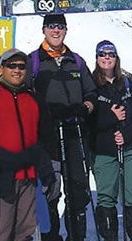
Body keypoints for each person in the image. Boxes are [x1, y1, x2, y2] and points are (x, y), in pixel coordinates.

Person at [0, 48, 56, 241]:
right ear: (1, 69)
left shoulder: (35, 99)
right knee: (0, 230)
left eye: (21, 66)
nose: (17, 70)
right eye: (11, 66)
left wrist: (46, 169)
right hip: (1, 178)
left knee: (25, 230)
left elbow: (44, 138)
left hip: (29, 177)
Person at [28, 14, 97, 241]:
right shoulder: (34, 61)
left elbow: (91, 92)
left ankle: (76, 236)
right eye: (51, 27)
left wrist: (85, 107)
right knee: (50, 191)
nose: (55, 31)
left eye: (60, 27)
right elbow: (26, 96)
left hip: (75, 134)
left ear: (66, 30)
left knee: (78, 191)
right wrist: (45, 113)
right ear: (44, 30)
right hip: (47, 139)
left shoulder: (76, 61)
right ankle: (51, 236)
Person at [89, 40, 132, 241]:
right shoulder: (90, 85)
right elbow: (88, 121)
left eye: (111, 54)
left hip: (129, 148)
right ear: (96, 58)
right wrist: (110, 117)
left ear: (116, 58)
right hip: (104, 151)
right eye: (102, 54)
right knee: (106, 199)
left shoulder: (127, 83)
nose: (107, 58)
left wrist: (129, 133)